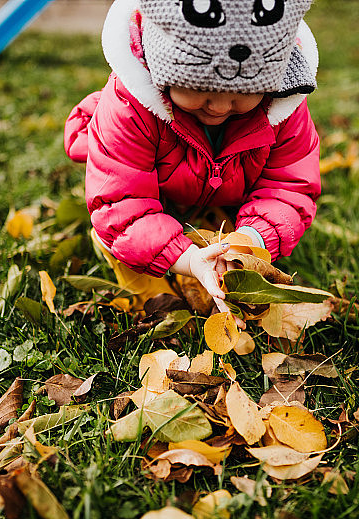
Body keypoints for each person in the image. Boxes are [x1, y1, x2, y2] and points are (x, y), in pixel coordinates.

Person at [64, 0, 321, 321]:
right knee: (116, 232)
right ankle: (150, 292)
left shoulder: (285, 109)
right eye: (199, 88)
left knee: (222, 233)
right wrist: (186, 260)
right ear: (159, 66)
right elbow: (122, 206)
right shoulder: (129, 109)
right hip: (156, 193)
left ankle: (214, 225)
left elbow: (288, 188)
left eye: (244, 93)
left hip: (226, 189)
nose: (217, 106)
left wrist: (249, 241)